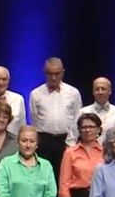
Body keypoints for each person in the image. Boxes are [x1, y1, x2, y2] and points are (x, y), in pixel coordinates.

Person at [29, 57, 82, 187]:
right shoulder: (36, 93)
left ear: (62, 73)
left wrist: (71, 143)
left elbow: (78, 119)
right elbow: (34, 120)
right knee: (43, 180)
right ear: (44, 72)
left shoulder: (73, 93)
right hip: (44, 142)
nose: (53, 77)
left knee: (64, 180)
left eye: (57, 74)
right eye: (49, 73)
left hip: (66, 141)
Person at [73, 77, 115, 143]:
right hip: (88, 152)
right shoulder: (83, 112)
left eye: (103, 89)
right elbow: (72, 139)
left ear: (110, 91)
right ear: (93, 92)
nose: (100, 92)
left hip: (112, 152)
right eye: (97, 89)